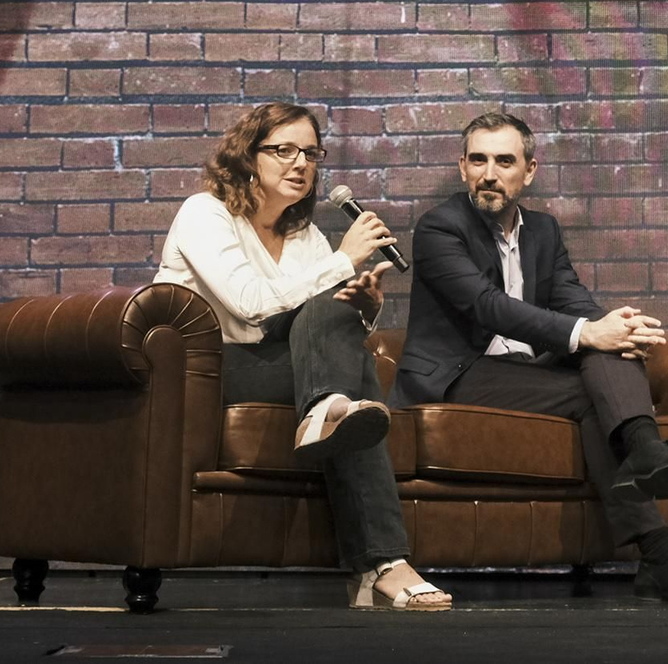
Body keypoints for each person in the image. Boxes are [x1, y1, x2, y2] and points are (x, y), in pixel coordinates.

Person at [389, 111, 668, 602]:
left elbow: (572, 299)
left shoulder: (543, 230)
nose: (489, 173)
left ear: (529, 170)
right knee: (592, 366)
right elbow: (489, 307)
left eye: (504, 160)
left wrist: (616, 328)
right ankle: (660, 544)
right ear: (461, 167)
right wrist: (589, 332)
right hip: (458, 375)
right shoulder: (439, 228)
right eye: (478, 160)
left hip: (523, 374)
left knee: (609, 348)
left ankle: (644, 457)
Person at [152, 102, 450, 611]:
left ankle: (326, 412)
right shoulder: (205, 212)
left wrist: (363, 309)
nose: (300, 164)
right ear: (247, 156)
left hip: (287, 371)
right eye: (283, 150)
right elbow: (248, 308)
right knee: (351, 368)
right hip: (211, 371)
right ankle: (380, 566)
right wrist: (342, 261)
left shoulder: (303, 233)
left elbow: (322, 324)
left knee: (340, 331)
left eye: (310, 154)